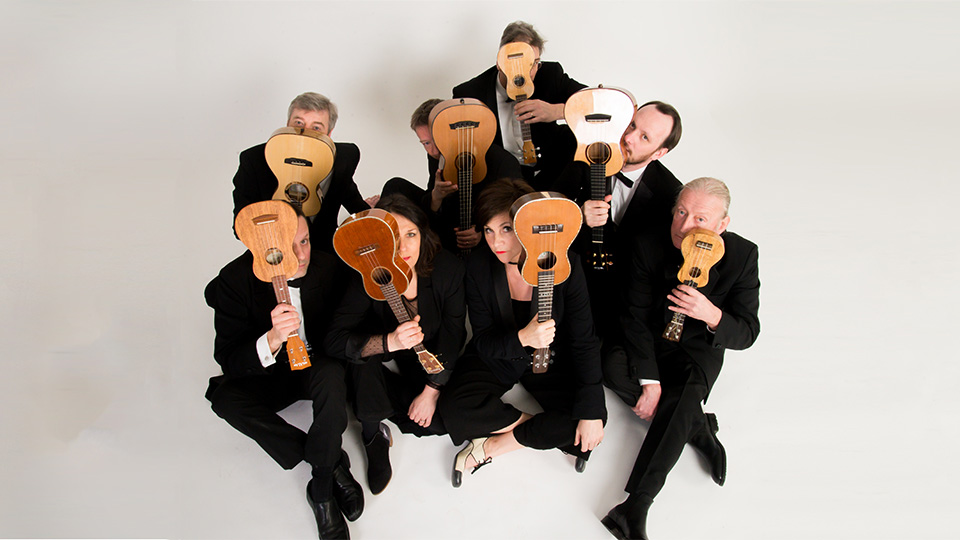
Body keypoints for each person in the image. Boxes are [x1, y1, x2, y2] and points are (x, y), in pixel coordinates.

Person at [600, 178, 761, 539]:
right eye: (681, 212)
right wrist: (650, 382)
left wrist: (712, 314)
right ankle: (697, 427)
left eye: (700, 219)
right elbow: (634, 316)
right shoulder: (648, 243)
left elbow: (748, 332)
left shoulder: (743, 256)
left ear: (722, 225)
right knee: (610, 366)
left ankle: (635, 504)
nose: (684, 226)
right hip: (647, 339)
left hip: (696, 348)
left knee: (687, 388)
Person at [204, 203, 362, 539]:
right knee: (225, 400)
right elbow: (228, 360)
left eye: (304, 241)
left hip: (316, 364)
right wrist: (272, 338)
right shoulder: (233, 281)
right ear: (263, 249)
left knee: (333, 378)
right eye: (287, 246)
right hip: (271, 373)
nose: (300, 254)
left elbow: (351, 320)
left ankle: (320, 491)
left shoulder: (327, 266)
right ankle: (330, 462)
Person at [437, 178, 606, 487]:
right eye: (488, 230)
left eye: (506, 229)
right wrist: (522, 339)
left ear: (529, 226)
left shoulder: (566, 265)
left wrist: (592, 412)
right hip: (500, 353)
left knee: (592, 421)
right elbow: (484, 338)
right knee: (453, 409)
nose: (495, 241)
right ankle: (542, 432)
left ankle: (491, 446)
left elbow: (584, 339)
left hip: (553, 361)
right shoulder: (478, 266)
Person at [324, 194, 466, 495]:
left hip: (431, 354)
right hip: (384, 350)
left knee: (437, 423)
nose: (404, 248)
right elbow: (334, 340)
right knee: (361, 357)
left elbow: (454, 334)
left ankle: (371, 400)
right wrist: (389, 342)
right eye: (393, 238)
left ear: (422, 233)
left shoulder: (447, 269)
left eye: (411, 234)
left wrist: (432, 390)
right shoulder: (367, 275)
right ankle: (373, 432)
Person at [552, 100, 683, 405]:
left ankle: (677, 415)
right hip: (577, 283)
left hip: (626, 298)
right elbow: (546, 210)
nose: (629, 137)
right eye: (632, 125)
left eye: (645, 137)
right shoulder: (586, 156)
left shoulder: (670, 194)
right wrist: (577, 214)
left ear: (660, 153)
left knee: (613, 368)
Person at [231, 91, 375, 254]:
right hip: (273, 253)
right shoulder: (254, 159)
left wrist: (377, 215)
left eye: (316, 128)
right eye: (299, 124)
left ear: (329, 134)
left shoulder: (342, 158)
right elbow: (240, 226)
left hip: (324, 254)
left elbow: (349, 197)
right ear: (287, 124)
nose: (305, 134)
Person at [452, 21, 585, 190]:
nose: (530, 71)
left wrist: (558, 111)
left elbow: (598, 101)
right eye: (522, 64)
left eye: (535, 62)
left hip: (551, 170)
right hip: (504, 180)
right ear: (500, 64)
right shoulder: (470, 93)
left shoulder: (550, 75)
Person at [382, 98, 522, 253]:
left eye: (436, 141)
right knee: (395, 186)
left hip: (484, 233)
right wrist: (436, 197)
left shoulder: (502, 161)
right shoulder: (437, 154)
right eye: (426, 143)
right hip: (449, 224)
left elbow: (513, 214)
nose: (433, 151)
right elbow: (432, 206)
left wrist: (483, 232)